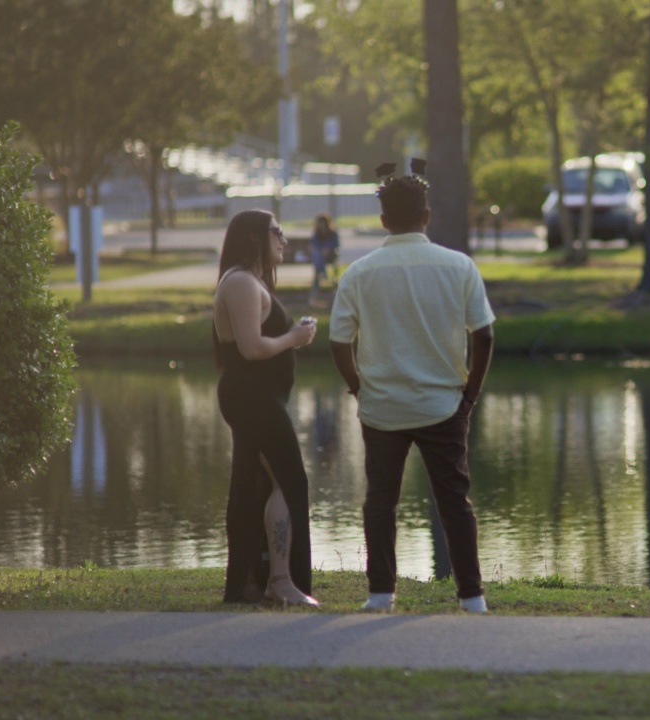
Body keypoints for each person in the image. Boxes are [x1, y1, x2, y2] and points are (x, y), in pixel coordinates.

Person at [329, 166, 495, 614]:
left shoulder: (358, 273)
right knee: (455, 503)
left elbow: (338, 341)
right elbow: (484, 336)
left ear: (383, 220)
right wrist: (470, 396)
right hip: (444, 405)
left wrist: (358, 388)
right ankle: (472, 597)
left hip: (382, 407)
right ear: (426, 216)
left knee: (380, 501)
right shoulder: (459, 266)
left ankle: (381, 593)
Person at [212, 209, 320, 607]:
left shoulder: (250, 281)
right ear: (255, 237)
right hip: (251, 397)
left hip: (258, 397)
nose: (284, 239)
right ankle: (281, 580)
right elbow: (251, 348)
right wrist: (295, 338)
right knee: (289, 482)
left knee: (252, 486)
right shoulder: (240, 281)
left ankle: (248, 583)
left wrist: (295, 335)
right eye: (277, 231)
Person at [309, 212, 340, 299]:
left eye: (323, 223)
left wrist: (327, 249)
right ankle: (323, 272)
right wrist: (321, 250)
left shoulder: (332, 233)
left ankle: (314, 293)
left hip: (329, 256)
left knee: (317, 264)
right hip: (319, 257)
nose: (322, 225)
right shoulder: (317, 234)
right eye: (320, 223)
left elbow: (336, 245)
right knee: (317, 255)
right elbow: (313, 245)